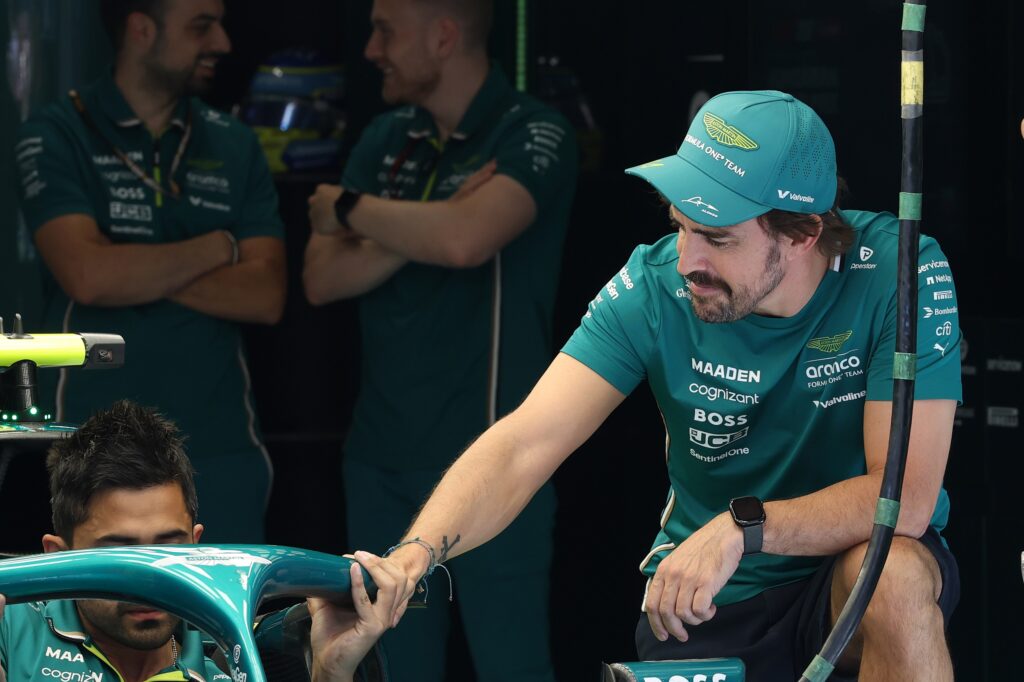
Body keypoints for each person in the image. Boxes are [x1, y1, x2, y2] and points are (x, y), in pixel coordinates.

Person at [376, 90, 962, 681]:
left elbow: (904, 499)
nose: (687, 262)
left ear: (802, 233)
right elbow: (524, 444)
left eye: (718, 238)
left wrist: (744, 527)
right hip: (706, 595)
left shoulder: (899, 269)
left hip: (836, 574)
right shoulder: (652, 286)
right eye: (681, 227)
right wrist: (414, 556)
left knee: (895, 575)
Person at [303, 1, 577, 680]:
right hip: (381, 457)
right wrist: (441, 219)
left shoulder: (532, 130)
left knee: (513, 668)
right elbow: (322, 277)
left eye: (386, 31)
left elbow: (467, 242)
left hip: (496, 464)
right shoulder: (386, 136)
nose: (371, 50)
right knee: (391, 670)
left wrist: (351, 210)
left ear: (444, 35)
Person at [13, 0, 286, 542]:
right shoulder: (56, 131)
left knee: (225, 602)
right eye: (201, 26)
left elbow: (265, 294)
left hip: (221, 446)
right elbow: (89, 275)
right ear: (141, 29)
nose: (222, 43)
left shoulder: (234, 142)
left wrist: (133, 264)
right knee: (93, 599)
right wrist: (216, 247)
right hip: (88, 451)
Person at [0, 401, 398, 682]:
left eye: (168, 547)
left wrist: (330, 674)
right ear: (57, 556)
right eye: (120, 554)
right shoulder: (10, 627)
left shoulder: (234, 659)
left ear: (197, 545)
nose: (149, 580)